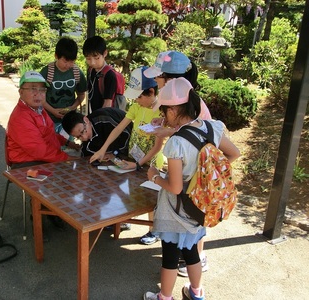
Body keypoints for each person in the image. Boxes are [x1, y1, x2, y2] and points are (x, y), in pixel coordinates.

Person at [144, 77, 240, 300]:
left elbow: (175, 187)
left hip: (177, 210)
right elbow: (234, 154)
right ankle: (196, 292)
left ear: (175, 109)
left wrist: (155, 176)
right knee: (192, 252)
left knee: (169, 256)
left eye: (165, 110)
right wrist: (206, 178)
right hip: (200, 206)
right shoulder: (211, 127)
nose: (164, 115)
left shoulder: (177, 143)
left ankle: (164, 296)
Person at [144, 50, 212, 268]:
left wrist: (167, 133)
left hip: (194, 172)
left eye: (158, 76)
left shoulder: (191, 101)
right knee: (193, 213)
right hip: (190, 171)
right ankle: (193, 261)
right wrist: (162, 122)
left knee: (194, 216)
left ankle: (198, 258)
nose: (155, 79)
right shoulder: (180, 97)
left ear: (170, 78)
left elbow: (191, 134)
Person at [88, 66, 165, 244]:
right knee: (131, 192)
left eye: (139, 96)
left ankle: (154, 230)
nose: (136, 100)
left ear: (151, 92)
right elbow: (119, 128)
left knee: (150, 198)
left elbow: (157, 146)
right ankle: (126, 220)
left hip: (151, 162)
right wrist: (102, 149)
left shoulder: (161, 110)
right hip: (134, 158)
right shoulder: (137, 108)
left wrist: (139, 165)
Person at [6, 71, 80, 229]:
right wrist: (66, 158)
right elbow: (40, 150)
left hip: (40, 159)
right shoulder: (21, 116)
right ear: (21, 92)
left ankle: (54, 211)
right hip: (24, 164)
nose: (38, 94)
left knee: (69, 173)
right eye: (33, 89)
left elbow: (50, 134)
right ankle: (39, 223)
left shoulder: (38, 110)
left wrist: (69, 143)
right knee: (56, 178)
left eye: (42, 90)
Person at [40, 37, 87, 140]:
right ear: (56, 56)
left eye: (72, 61)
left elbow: (81, 95)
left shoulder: (77, 73)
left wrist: (71, 108)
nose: (69, 65)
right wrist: (53, 111)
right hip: (48, 119)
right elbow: (40, 98)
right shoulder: (47, 72)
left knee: (67, 148)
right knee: (50, 146)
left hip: (69, 122)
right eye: (65, 61)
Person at [61, 107, 132, 159]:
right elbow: (86, 158)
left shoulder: (104, 119)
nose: (84, 137)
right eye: (79, 137)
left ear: (86, 120)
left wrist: (114, 154)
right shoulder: (86, 144)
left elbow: (128, 138)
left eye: (83, 131)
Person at [82, 35, 119, 114]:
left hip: (105, 118)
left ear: (105, 53)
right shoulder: (91, 70)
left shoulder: (110, 75)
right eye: (88, 58)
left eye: (96, 58)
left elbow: (107, 104)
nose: (92, 62)